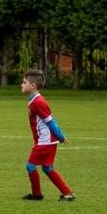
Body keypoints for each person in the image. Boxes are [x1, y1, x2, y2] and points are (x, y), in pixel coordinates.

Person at [21, 69, 75, 202]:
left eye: (24, 82)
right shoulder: (35, 100)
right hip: (47, 141)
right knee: (47, 167)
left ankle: (37, 194)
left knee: (30, 166)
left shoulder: (38, 102)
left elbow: (50, 121)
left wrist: (60, 136)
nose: (21, 85)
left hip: (45, 142)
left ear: (33, 86)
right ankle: (67, 193)